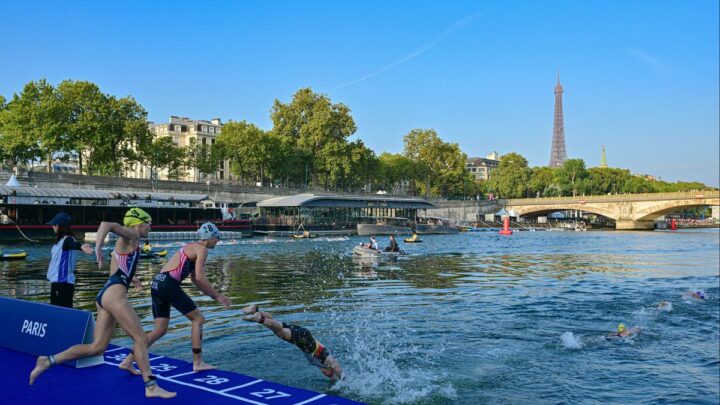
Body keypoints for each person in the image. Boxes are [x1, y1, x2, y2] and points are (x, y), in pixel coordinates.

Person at [29, 208, 176, 399]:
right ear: (138, 224)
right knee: (140, 339)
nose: (151, 227)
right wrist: (98, 247)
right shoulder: (132, 234)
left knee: (97, 348)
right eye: (149, 223)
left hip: (105, 294)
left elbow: (118, 269)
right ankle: (151, 386)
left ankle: (48, 361)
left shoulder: (126, 242)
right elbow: (107, 224)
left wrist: (133, 279)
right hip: (114, 296)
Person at [118, 223, 230, 373]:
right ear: (210, 237)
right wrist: (218, 296)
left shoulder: (190, 246)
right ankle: (197, 362)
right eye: (217, 238)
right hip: (168, 284)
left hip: (157, 283)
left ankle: (128, 361)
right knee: (198, 319)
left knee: (160, 329)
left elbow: (196, 280)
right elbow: (200, 276)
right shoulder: (202, 249)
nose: (217, 241)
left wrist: (211, 295)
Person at [242, 305, 342, 380]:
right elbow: (336, 366)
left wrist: (332, 379)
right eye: (328, 374)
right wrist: (344, 379)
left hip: (302, 336)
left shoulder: (320, 364)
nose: (325, 374)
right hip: (305, 339)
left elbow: (332, 378)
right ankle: (260, 319)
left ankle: (256, 310)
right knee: (280, 332)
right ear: (330, 370)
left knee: (275, 324)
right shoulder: (326, 359)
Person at [46, 213, 94, 308]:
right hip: (58, 283)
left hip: (62, 283)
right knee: (60, 311)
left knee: (60, 311)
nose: (52, 226)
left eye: (54, 224)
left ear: (59, 226)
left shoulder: (67, 239)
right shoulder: (60, 241)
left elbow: (72, 244)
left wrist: (81, 246)